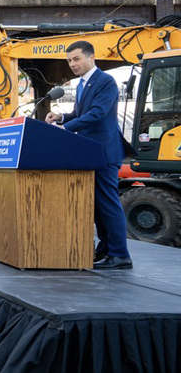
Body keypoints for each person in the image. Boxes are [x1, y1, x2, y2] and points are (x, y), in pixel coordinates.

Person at [45, 40, 132, 269]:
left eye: (76, 59)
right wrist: (61, 117)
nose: (73, 64)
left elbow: (97, 114)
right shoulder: (82, 84)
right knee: (96, 206)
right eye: (69, 61)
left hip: (104, 152)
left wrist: (65, 129)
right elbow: (79, 113)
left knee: (109, 203)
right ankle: (105, 249)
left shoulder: (105, 81)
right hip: (89, 152)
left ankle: (120, 254)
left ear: (91, 57)